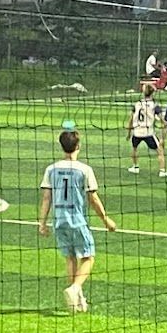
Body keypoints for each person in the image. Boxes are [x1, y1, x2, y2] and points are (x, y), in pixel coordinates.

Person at [38, 128, 117, 314]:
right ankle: (75, 288)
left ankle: (77, 300)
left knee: (70, 257)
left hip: (59, 221)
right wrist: (106, 220)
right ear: (78, 146)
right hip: (77, 220)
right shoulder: (84, 170)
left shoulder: (51, 169)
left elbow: (46, 198)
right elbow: (93, 198)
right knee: (88, 257)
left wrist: (42, 222)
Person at [126, 84, 167, 176]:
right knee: (160, 150)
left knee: (134, 148)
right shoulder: (154, 105)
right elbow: (162, 119)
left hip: (137, 132)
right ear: (152, 93)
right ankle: (162, 171)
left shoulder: (137, 104)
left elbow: (131, 119)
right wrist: (166, 124)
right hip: (148, 132)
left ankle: (135, 167)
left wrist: (129, 133)